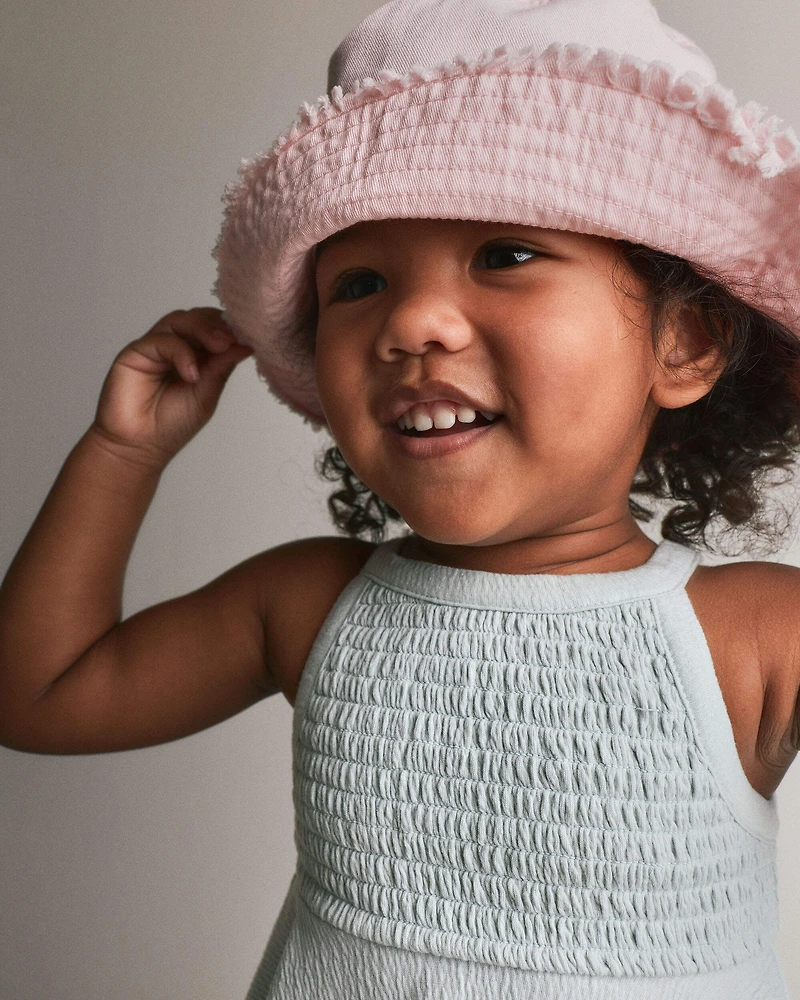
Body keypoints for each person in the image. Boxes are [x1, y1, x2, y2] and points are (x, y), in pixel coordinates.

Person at [1, 0, 799, 996]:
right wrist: (122, 455)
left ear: (683, 342)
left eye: (504, 253)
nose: (411, 321)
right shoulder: (307, 605)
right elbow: (37, 695)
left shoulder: (757, 636)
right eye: (360, 283)